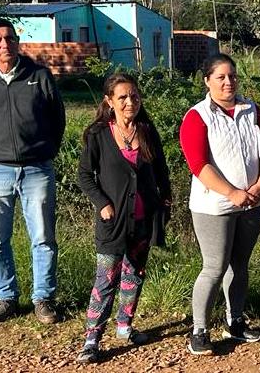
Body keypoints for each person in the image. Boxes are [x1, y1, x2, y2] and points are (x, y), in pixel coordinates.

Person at [0, 17, 66, 325]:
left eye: (9, 38)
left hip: (36, 170)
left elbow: (57, 120)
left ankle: (43, 298)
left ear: (17, 40)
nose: (4, 44)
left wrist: (46, 152)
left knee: (43, 237)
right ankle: (6, 298)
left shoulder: (40, 77)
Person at [179, 54, 260, 356]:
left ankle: (235, 321)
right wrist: (232, 192)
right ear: (207, 80)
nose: (228, 82)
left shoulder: (252, 110)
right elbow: (198, 164)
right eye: (220, 77)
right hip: (214, 207)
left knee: (240, 265)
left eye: (232, 75)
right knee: (214, 266)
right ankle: (200, 329)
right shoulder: (197, 116)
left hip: (251, 202)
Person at [75, 74, 172, 364]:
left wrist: (165, 200)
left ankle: (124, 326)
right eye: (123, 97)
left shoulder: (146, 130)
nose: (130, 102)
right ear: (110, 101)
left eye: (134, 96)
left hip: (143, 220)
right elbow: (84, 175)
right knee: (105, 280)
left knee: (134, 275)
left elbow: (161, 169)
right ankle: (92, 339)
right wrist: (102, 203)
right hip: (112, 223)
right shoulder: (98, 134)